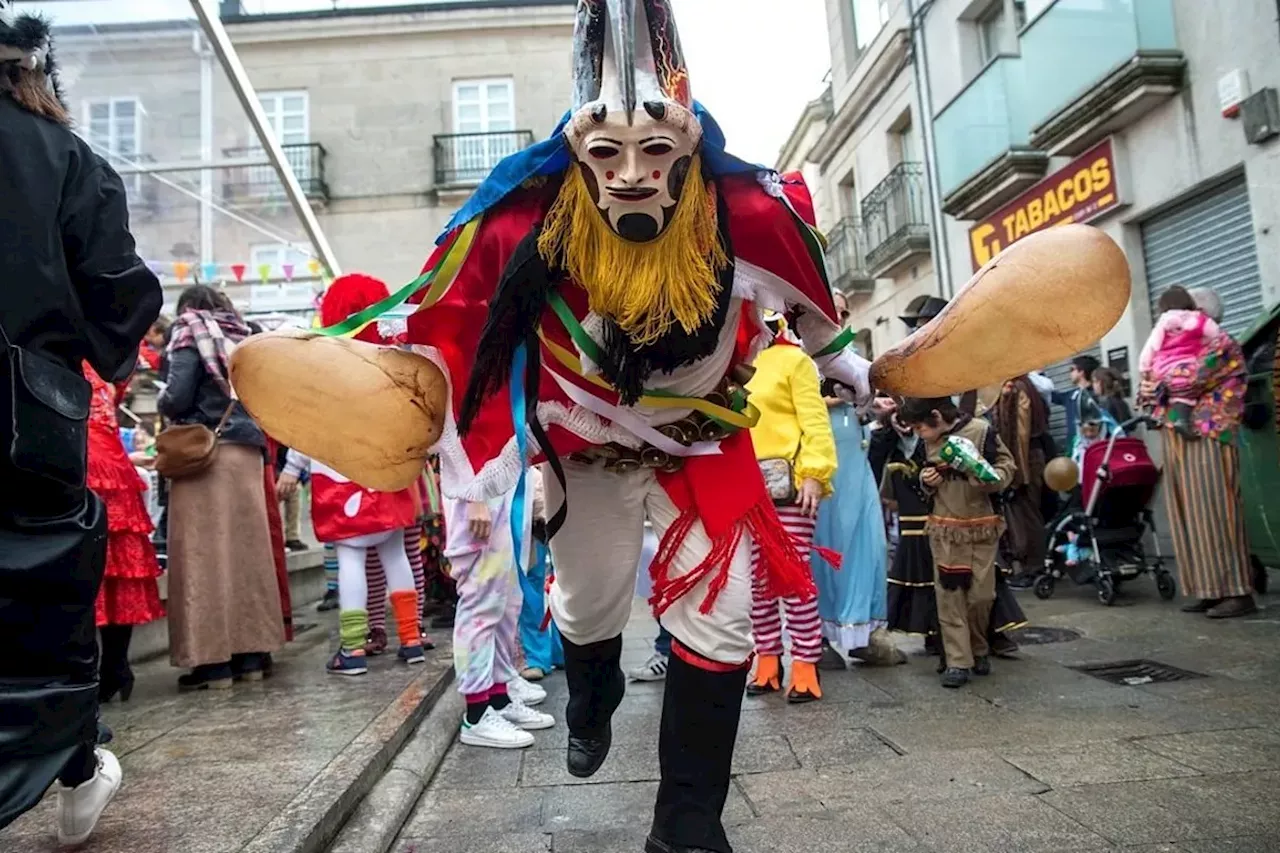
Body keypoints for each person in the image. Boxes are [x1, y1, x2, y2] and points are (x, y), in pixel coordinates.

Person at [398, 5, 872, 849]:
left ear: (688, 150)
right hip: (587, 454)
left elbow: (823, 327)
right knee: (587, 608)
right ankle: (592, 692)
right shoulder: (524, 225)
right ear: (577, 150)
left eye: (654, 150)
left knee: (720, 622)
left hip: (703, 447)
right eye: (605, 152)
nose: (627, 174)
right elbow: (452, 327)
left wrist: (882, 377)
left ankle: (686, 828)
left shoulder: (746, 217)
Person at [0, 6, 162, 839]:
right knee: (41, 586)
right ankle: (72, 766)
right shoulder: (59, 154)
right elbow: (119, 288)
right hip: (27, 408)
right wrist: (96, 351)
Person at [158, 285, 284, 689]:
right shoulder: (247, 334)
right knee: (248, 555)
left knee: (203, 558)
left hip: (204, 454)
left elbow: (176, 397)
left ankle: (212, 663)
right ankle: (253, 655)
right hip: (247, 454)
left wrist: (162, 401)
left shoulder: (188, 330)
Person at [308, 275, 430, 675]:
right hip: (387, 467)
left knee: (350, 557)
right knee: (395, 551)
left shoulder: (323, 360)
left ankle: (353, 648)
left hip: (340, 471)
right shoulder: (392, 357)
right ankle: (411, 639)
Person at [1141, 287, 1256, 619]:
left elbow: (1189, 379)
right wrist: (1150, 385)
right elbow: (1149, 385)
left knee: (1215, 511)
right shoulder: (1173, 347)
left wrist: (1156, 379)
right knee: (1186, 514)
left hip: (1209, 433)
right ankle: (1207, 589)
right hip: (1177, 434)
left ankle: (1236, 590)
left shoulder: (1221, 343)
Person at [744, 318, 838, 703]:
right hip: (747, 486)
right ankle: (767, 660)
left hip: (791, 486)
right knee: (758, 581)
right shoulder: (732, 362)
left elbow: (815, 420)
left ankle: (805, 664)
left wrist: (815, 472)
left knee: (793, 578)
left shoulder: (795, 360)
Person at [897, 397, 1016, 689]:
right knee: (949, 596)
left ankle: (978, 648)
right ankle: (957, 661)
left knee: (981, 595)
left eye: (920, 426)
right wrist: (926, 480)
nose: (917, 433)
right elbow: (915, 480)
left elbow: (1007, 467)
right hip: (945, 529)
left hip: (982, 528)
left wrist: (985, 476)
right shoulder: (925, 444)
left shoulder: (982, 431)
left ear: (936, 416)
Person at [446, 481, 555, 748]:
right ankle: (476, 713)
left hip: (496, 491)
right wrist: (474, 495)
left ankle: (497, 697)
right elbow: (457, 440)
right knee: (480, 602)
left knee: (506, 601)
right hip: (476, 491)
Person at [85, 363, 165, 703]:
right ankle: (116, 668)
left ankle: (91, 675)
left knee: (88, 572)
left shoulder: (60, 360)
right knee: (119, 572)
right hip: (115, 467)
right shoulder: (105, 368)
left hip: (83, 464)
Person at [813, 373, 890, 664]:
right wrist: (830, 401)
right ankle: (818, 637)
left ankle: (865, 634)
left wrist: (866, 407)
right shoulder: (797, 355)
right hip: (826, 477)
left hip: (858, 472)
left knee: (871, 546)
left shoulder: (845, 357)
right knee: (828, 546)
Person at [1139, 285, 1220, 439]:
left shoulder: (1220, 348)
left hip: (1206, 434)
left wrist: (1147, 372)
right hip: (1190, 438)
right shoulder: (1211, 344)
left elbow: (1150, 350)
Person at [994, 375, 1049, 583]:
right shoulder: (1024, 386)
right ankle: (1033, 565)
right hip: (1029, 458)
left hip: (1025, 459)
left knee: (1027, 513)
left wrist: (1016, 473)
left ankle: (1033, 567)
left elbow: (1020, 433)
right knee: (1028, 512)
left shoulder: (1017, 388)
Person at [1052, 354, 1101, 458]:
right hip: (1073, 445)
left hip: (1092, 446)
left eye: (1072, 369)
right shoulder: (1071, 395)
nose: (1069, 373)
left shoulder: (1096, 395)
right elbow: (1052, 396)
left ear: (1081, 372)